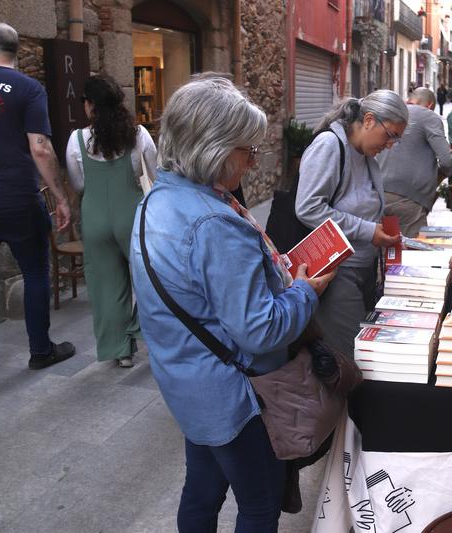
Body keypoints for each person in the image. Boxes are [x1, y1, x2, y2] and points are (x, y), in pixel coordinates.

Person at [130, 73, 334, 532]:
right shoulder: (215, 223)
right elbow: (259, 330)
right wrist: (307, 290)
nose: (252, 162)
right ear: (215, 147)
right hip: (234, 395)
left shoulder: (156, 200)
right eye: (247, 150)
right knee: (258, 505)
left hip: (187, 380)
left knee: (201, 491)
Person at [0, 22, 75, 389]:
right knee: (37, 273)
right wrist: (60, 196)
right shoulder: (28, 87)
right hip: (18, 201)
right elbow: (40, 146)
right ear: (16, 51)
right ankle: (40, 350)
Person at [296, 90, 407, 357]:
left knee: (363, 346)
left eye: (396, 139)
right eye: (390, 135)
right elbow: (308, 207)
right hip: (336, 271)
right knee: (354, 353)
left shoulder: (366, 155)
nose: (390, 144)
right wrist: (368, 230)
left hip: (363, 268)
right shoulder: (329, 145)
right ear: (368, 120)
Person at [65, 75, 157, 368]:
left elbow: (78, 184)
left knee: (107, 287)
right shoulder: (138, 134)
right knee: (153, 278)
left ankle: (121, 350)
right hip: (130, 213)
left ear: (90, 105)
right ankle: (141, 330)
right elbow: (155, 174)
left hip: (94, 216)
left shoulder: (76, 140)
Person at [378, 88, 452, 238]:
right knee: (411, 254)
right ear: (430, 105)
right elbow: (447, 160)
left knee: (385, 249)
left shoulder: (393, 113)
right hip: (409, 198)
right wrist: (438, 178)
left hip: (376, 193)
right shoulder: (428, 116)